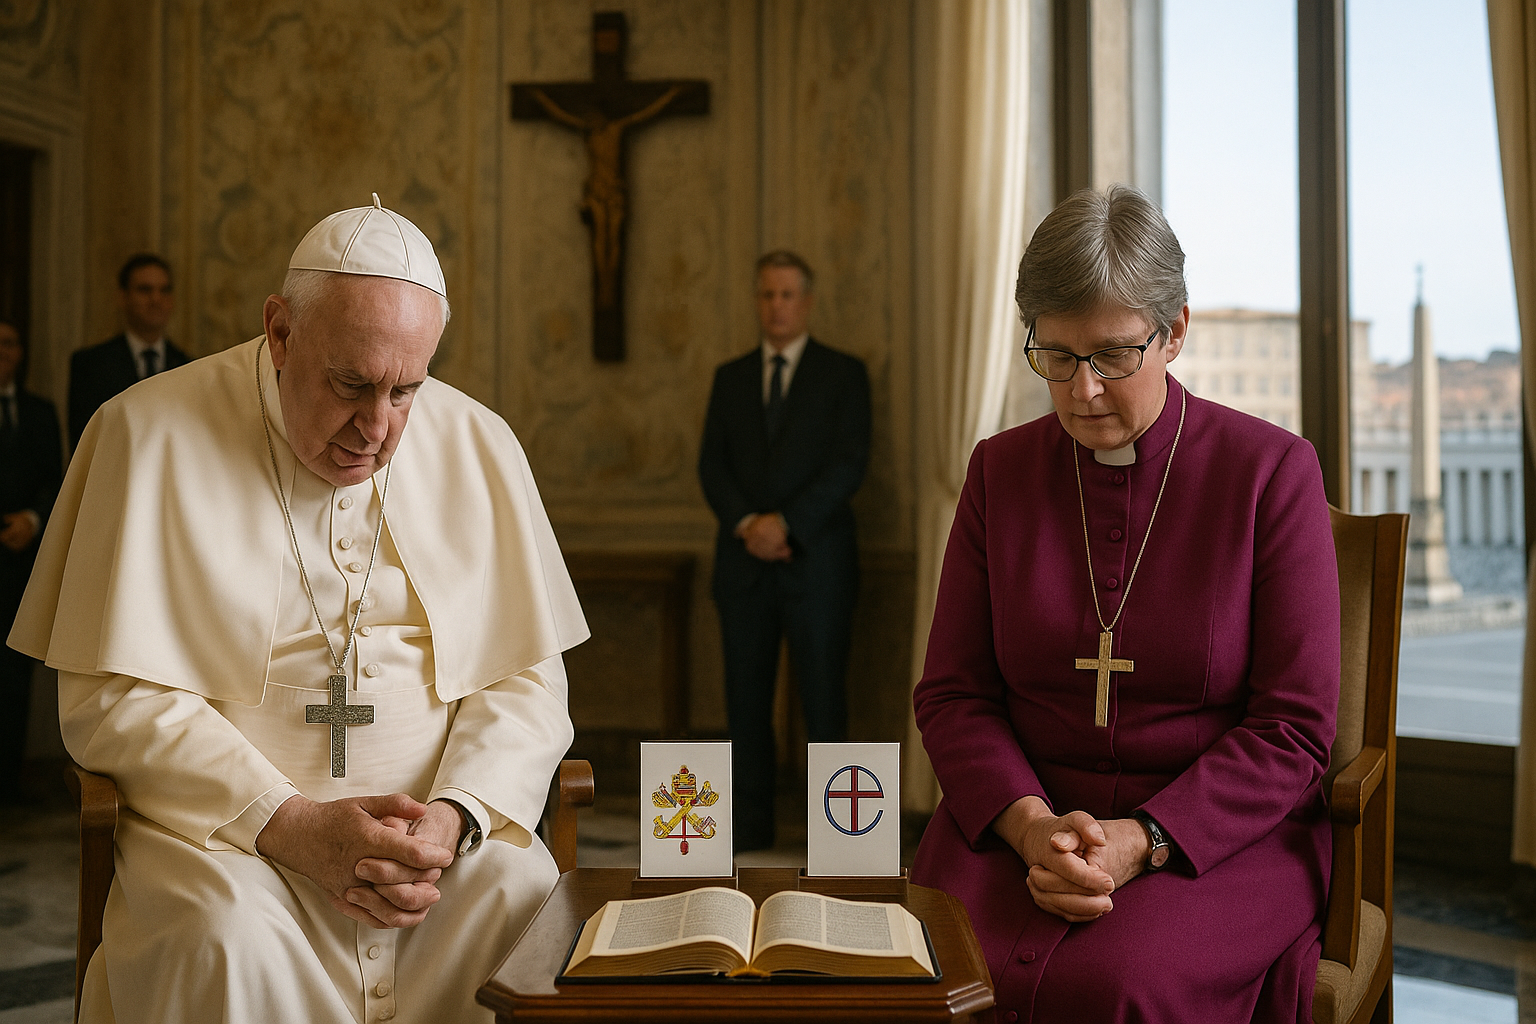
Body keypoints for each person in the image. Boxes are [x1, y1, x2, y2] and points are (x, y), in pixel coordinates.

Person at [11, 195, 588, 1023]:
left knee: (525, 899)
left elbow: (526, 682)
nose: (378, 428)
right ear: (280, 333)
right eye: (351, 384)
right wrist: (290, 823)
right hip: (229, 850)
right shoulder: (146, 434)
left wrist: (455, 819)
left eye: (406, 392)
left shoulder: (481, 444)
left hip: (436, 865)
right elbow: (111, 699)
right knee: (219, 939)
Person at [910, 185, 1338, 1023]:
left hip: (1216, 841)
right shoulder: (1000, 472)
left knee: (1119, 984)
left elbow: (1294, 725)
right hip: (1017, 828)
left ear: (1175, 331)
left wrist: (1142, 839)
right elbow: (954, 692)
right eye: (1057, 355)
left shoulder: (1270, 474)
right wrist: (1032, 827)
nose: (1084, 391)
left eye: (1112, 355)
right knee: (931, 969)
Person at [698, 250, 871, 851]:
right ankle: (750, 826)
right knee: (745, 704)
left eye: (787, 295)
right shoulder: (731, 377)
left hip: (818, 565)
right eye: (767, 295)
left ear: (808, 301)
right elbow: (712, 467)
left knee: (824, 701)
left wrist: (787, 525)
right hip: (743, 568)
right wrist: (750, 523)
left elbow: (849, 465)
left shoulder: (844, 375)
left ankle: (836, 833)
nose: (776, 306)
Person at [0, 320, 61, 797]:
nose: (4, 351)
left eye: (11, 342)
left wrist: (33, 518)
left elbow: (54, 480)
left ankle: (8, 779)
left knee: (14, 675)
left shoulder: (40, 412)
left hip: (21, 559)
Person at [68, 253, 191, 448]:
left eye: (164, 290)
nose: (156, 299)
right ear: (123, 297)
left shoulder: (188, 365)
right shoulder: (91, 364)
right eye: (145, 290)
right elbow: (85, 440)